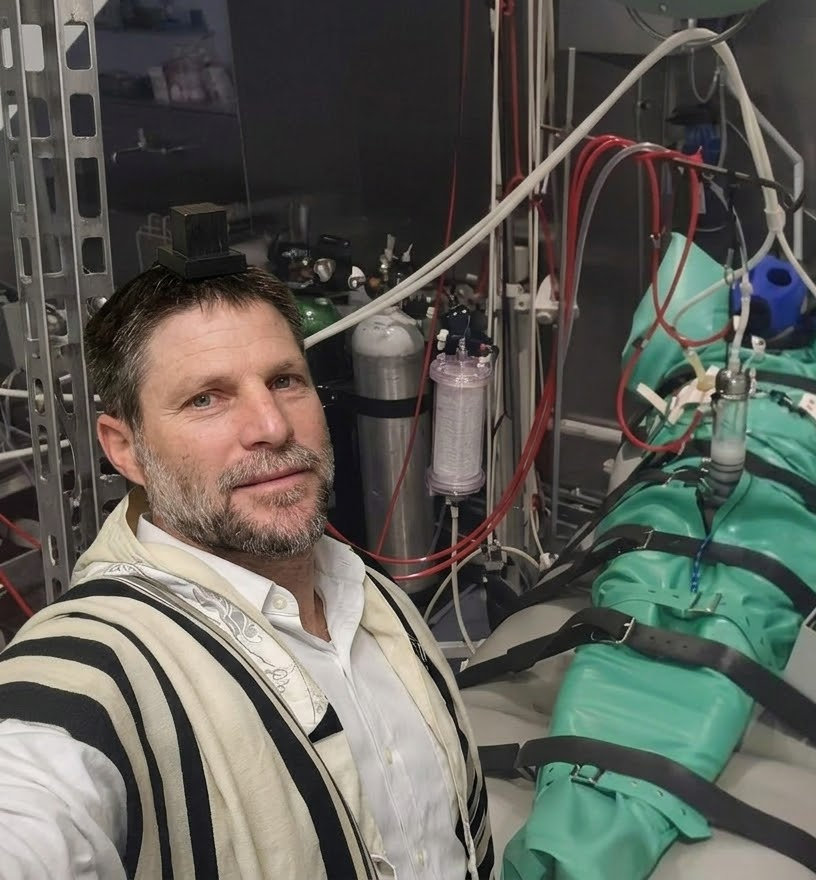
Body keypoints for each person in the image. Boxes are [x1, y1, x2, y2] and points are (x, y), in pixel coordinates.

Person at [0, 265, 492, 879]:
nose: (272, 427)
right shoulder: (99, 664)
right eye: (206, 398)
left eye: (285, 381)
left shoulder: (368, 593)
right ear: (126, 449)